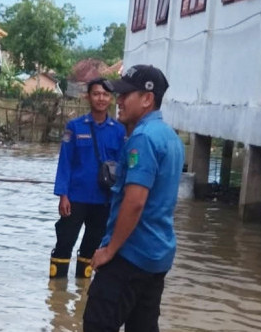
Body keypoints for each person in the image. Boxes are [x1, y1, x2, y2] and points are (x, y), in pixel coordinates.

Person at [83, 65, 184, 332]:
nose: (119, 101)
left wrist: (110, 250)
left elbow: (135, 201)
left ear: (147, 99)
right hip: (157, 254)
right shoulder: (170, 137)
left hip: (131, 254)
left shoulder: (142, 138)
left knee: (97, 324)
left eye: (126, 95)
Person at [50, 78, 126, 279]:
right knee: (64, 242)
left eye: (105, 94)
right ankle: (57, 292)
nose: (101, 98)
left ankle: (82, 293)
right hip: (75, 198)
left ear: (110, 99)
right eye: (96, 94)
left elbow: (122, 167)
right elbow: (65, 162)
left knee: (92, 246)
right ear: (88, 97)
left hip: (103, 200)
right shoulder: (75, 127)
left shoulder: (118, 131)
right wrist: (63, 195)